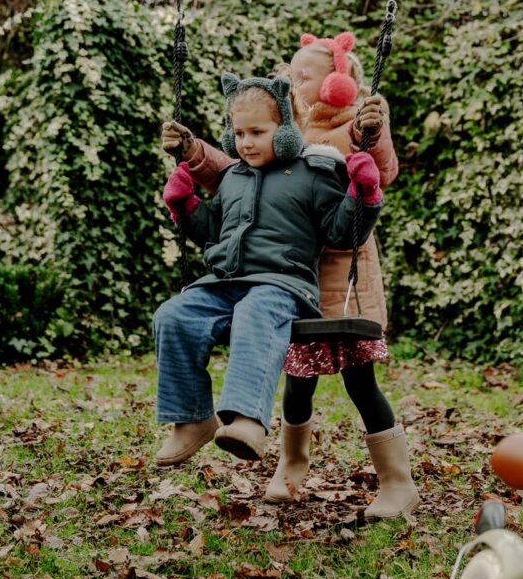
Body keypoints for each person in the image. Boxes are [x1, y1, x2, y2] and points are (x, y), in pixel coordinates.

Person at [162, 31, 419, 520]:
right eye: (290, 72)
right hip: (277, 272)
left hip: (339, 283)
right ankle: (290, 466)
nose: (290, 79)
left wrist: (375, 130)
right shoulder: (277, 127)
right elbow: (235, 168)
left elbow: (381, 170)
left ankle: (396, 481)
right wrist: (192, 151)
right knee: (297, 381)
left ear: (337, 83)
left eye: (303, 75)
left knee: (359, 381)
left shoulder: (352, 127)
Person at [154, 71, 383, 468]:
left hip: (282, 285)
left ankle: (246, 418)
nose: (245, 143)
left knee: (255, 310)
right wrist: (185, 208)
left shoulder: (312, 173)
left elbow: (342, 233)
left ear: (284, 130)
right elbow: (213, 236)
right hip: (225, 282)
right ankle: (192, 419)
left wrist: (363, 193)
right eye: (239, 134)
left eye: (257, 132)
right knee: (172, 315)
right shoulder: (231, 178)